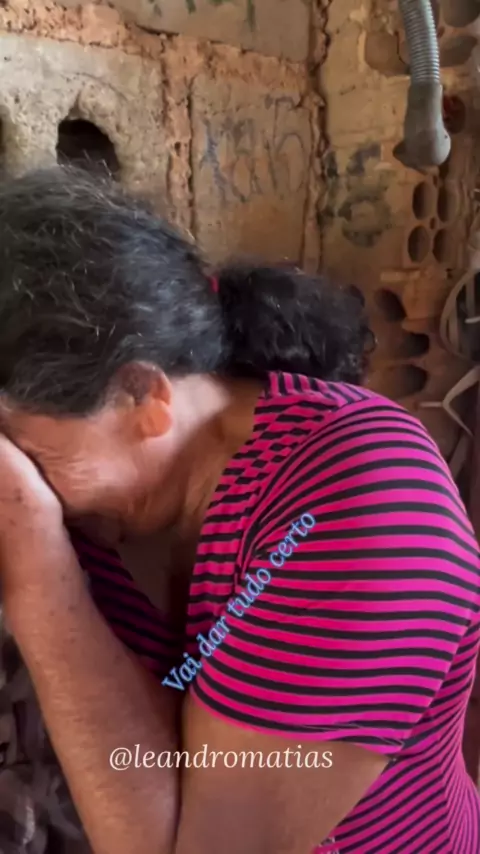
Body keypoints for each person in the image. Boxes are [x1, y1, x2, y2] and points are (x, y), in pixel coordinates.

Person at [0, 166, 478, 854]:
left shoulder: (365, 501)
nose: (19, 485)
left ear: (143, 398)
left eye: (23, 455)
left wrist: (40, 575)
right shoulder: (103, 514)